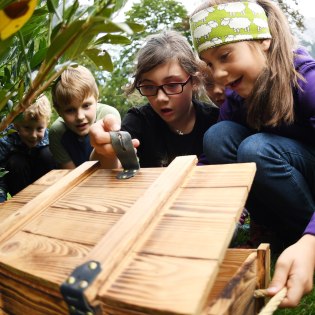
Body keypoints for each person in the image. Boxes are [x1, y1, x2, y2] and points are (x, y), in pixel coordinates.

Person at [190, 0, 315, 307]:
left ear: (264, 40)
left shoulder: (307, 82)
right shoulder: (235, 96)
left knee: (256, 149)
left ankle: (303, 239)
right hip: (287, 183)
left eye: (225, 56)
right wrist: (188, 189)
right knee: (218, 136)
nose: (217, 74)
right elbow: (213, 160)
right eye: (209, 63)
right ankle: (276, 230)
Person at [90, 30, 219, 169]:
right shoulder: (140, 120)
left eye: (172, 85)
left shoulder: (215, 121)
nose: (160, 98)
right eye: (149, 87)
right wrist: (104, 151)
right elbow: (113, 166)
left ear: (194, 81)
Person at [50, 65, 121, 169]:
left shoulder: (108, 116)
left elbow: (116, 167)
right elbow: (71, 174)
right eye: (70, 110)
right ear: (58, 111)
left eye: (86, 106)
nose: (80, 117)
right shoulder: (57, 132)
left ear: (96, 99)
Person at [0, 95, 55, 202]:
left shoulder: (50, 138)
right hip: (19, 183)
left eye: (39, 128)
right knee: (15, 161)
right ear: (16, 124)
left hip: (43, 185)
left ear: (46, 124)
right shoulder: (6, 140)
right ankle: (21, 204)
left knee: (47, 154)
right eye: (27, 128)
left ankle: (48, 200)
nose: (33, 135)